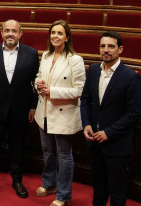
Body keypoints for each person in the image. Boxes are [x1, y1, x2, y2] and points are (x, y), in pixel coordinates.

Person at [0, 19, 39, 198]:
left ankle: (17, 180)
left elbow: (35, 84)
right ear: (1, 33)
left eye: (14, 31)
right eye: (7, 30)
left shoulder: (32, 54)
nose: (10, 33)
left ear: (20, 34)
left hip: (21, 109)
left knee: (18, 146)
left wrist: (33, 107)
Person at [80, 31, 141, 206]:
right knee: (99, 186)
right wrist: (86, 124)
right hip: (94, 142)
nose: (106, 50)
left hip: (117, 144)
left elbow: (134, 113)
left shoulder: (131, 77)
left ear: (120, 49)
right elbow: (85, 99)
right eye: (102, 46)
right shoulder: (93, 70)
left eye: (111, 46)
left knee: (117, 190)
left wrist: (109, 132)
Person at [33, 20, 86, 206]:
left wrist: (53, 92)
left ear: (67, 37)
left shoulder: (75, 59)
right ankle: (49, 184)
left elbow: (80, 90)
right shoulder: (46, 56)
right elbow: (39, 77)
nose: (55, 36)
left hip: (64, 114)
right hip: (44, 113)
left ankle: (63, 195)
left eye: (59, 33)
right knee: (47, 152)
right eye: (53, 32)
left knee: (64, 155)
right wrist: (38, 85)